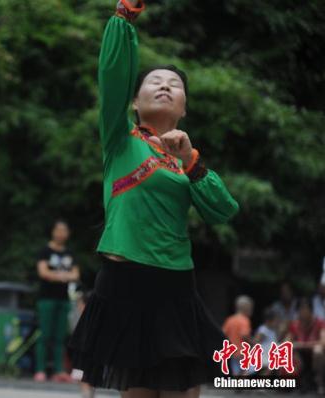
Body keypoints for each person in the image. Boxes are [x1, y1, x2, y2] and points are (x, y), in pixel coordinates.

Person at [68, 1, 240, 397]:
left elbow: (224, 210)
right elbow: (112, 74)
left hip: (175, 284)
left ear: (183, 107)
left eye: (174, 84)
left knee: (183, 390)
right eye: (154, 81)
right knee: (138, 391)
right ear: (133, 101)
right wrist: (124, 17)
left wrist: (192, 161)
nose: (164, 85)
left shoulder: (186, 161)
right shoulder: (120, 139)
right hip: (124, 281)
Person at [34, 220, 80, 383]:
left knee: (61, 337)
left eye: (64, 230)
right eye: (58, 230)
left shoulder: (69, 253)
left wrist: (57, 276)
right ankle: (40, 370)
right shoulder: (44, 251)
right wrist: (63, 276)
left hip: (64, 299)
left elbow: (76, 274)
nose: (61, 233)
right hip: (46, 299)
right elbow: (43, 272)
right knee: (45, 335)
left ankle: (59, 370)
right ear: (53, 232)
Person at [286, 298, 325, 394]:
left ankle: (320, 382)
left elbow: (323, 342)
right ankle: (300, 380)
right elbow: (286, 343)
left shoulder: (320, 323)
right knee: (290, 351)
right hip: (301, 357)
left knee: (318, 350)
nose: (302, 312)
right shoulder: (295, 325)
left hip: (316, 357)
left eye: (304, 309)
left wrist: (302, 345)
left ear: (310, 310)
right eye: (300, 309)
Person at [222, 295, 254, 376]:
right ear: (245, 307)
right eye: (250, 307)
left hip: (232, 351)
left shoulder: (230, 320)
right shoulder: (244, 320)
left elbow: (223, 334)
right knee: (246, 370)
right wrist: (253, 343)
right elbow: (244, 335)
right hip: (243, 351)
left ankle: (238, 387)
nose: (251, 310)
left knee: (236, 372)